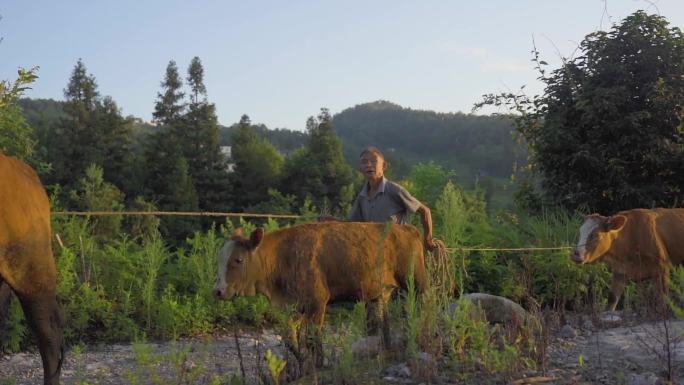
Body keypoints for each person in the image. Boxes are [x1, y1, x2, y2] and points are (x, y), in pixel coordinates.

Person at [321, 146, 437, 251]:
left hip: (398, 251)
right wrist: (332, 220)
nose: (369, 165)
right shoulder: (362, 197)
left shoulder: (394, 190)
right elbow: (352, 225)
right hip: (374, 251)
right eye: (364, 162)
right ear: (360, 169)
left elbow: (425, 211)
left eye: (374, 161)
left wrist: (428, 239)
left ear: (384, 166)